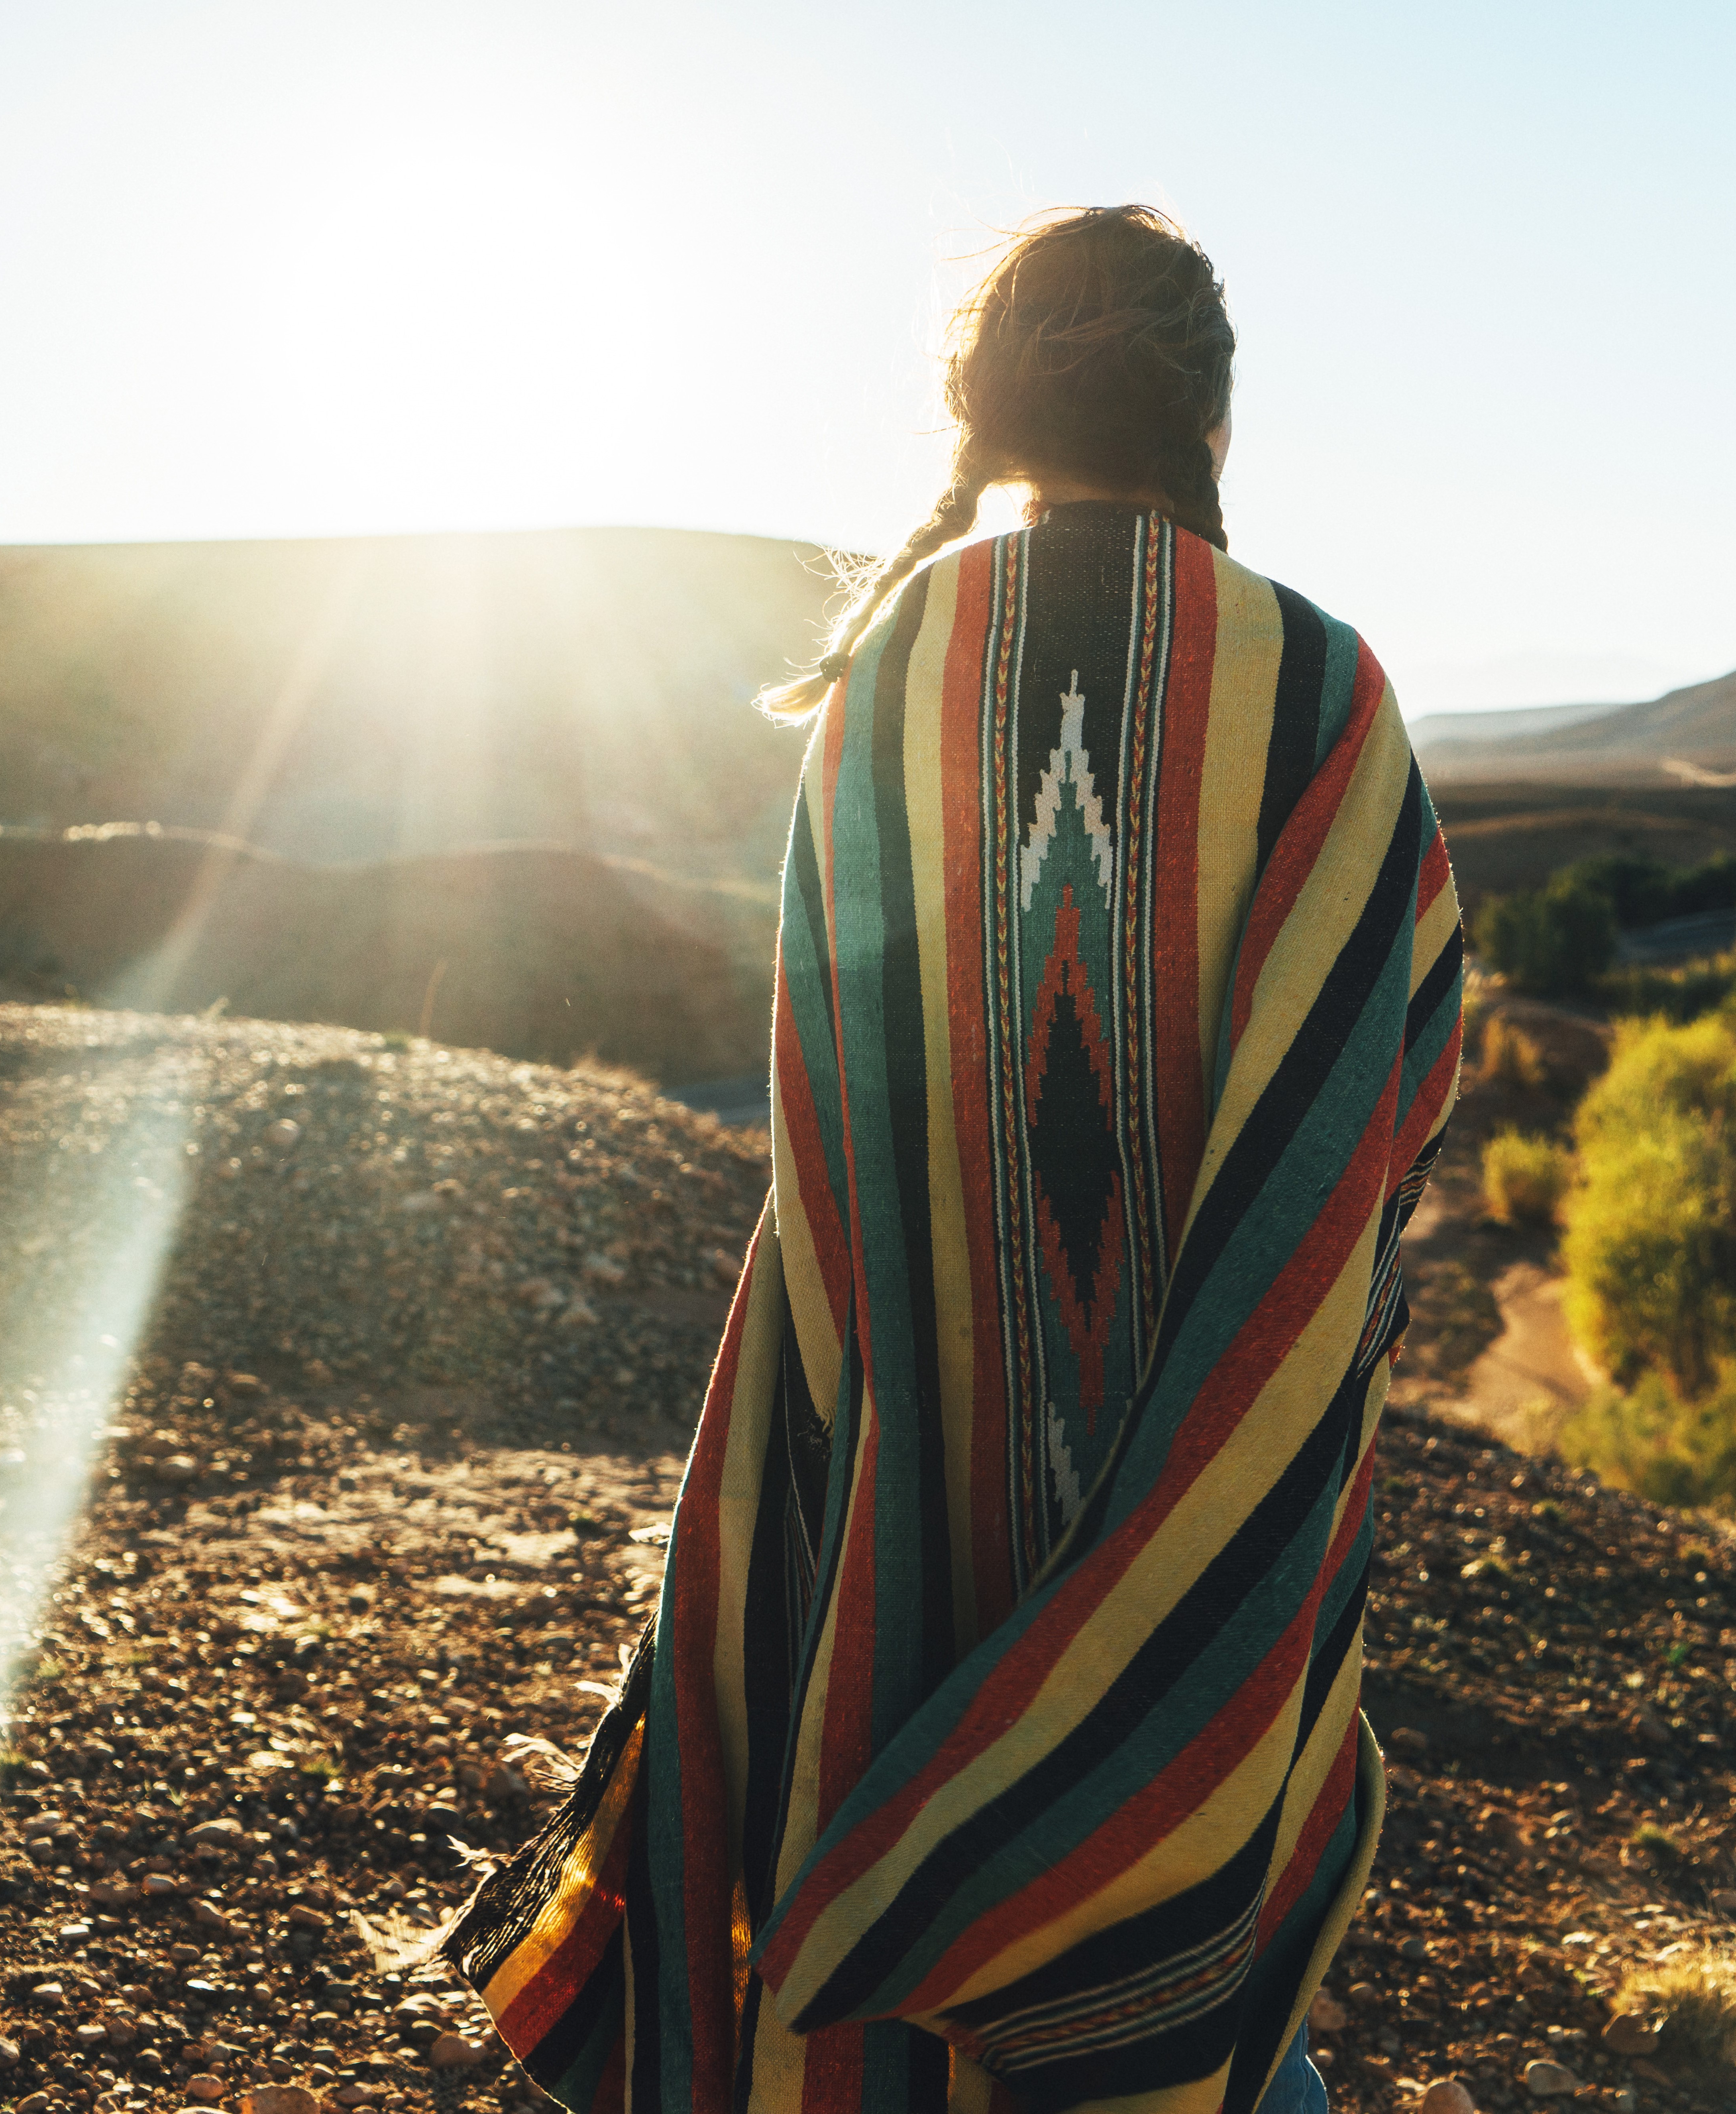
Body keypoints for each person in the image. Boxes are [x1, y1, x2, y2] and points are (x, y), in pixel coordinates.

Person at [446, 204, 1463, 2114]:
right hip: (1206, 1460)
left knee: (865, 1899)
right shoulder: (1320, 693)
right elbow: (1380, 1103)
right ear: (1215, 419)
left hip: (914, 1449)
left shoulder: (895, 677)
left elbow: (827, 1100)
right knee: (1202, 1958)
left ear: (985, 408)